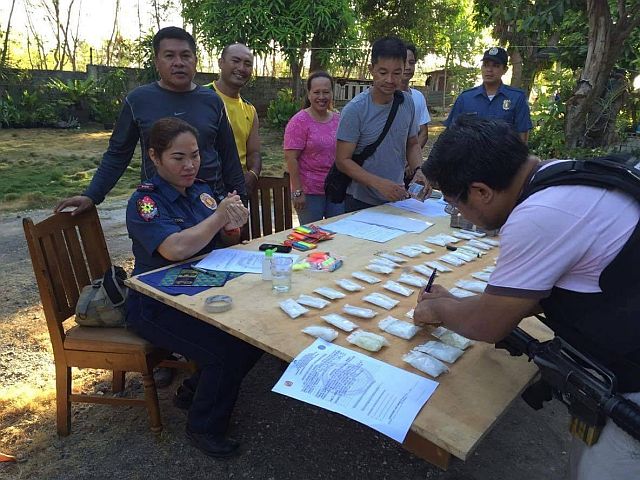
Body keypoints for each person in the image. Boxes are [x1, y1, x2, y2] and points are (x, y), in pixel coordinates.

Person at [415, 115, 640, 480]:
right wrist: (454, 304)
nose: (458, 213)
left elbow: (490, 324)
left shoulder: (538, 215)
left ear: (481, 192)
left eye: (455, 203)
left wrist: (440, 310)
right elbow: (530, 297)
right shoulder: (559, 175)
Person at [126, 117, 262, 458]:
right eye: (178, 157)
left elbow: (224, 238)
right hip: (155, 302)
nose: (189, 165)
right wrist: (218, 217)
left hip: (199, 289)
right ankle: (204, 426)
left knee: (256, 333)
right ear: (155, 157)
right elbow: (174, 249)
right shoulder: (146, 202)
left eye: (195, 155)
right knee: (224, 352)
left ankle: (193, 391)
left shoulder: (201, 191)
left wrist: (233, 224)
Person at [55, 26, 245, 216]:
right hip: (161, 207)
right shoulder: (138, 101)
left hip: (209, 204)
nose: (178, 63)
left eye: (186, 56)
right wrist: (92, 195)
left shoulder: (212, 101)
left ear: (195, 61)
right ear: (157, 62)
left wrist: (241, 200)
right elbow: (118, 154)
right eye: (169, 56)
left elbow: (229, 156)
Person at [335, 36, 425, 213]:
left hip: (398, 198)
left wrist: (419, 171)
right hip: (360, 201)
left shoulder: (407, 102)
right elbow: (342, 161)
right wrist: (379, 184)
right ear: (372, 70)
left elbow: (412, 143)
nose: (390, 80)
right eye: (383, 73)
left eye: (397, 73)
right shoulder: (355, 110)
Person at [284, 71, 343, 224]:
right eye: (317, 92)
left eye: (326, 92)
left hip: (336, 189)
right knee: (311, 237)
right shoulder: (299, 122)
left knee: (338, 233)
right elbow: (291, 158)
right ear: (309, 94)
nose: (321, 97)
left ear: (332, 93)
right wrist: (297, 192)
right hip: (309, 192)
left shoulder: (339, 120)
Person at [443, 47, 532, 143]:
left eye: (496, 66)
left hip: (504, 157)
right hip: (471, 156)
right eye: (485, 65)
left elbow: (522, 137)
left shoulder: (517, 98)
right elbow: (451, 134)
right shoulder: (465, 98)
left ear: (505, 69)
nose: (489, 70)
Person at [208, 43, 262, 194]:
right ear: (221, 63)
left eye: (247, 64)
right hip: (203, 189)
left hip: (236, 191)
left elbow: (254, 152)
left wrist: (252, 174)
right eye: (235, 61)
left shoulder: (249, 110)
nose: (241, 68)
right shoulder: (200, 96)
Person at [402, 44, 430, 149]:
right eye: (404, 62)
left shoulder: (418, 97)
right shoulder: (384, 97)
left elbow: (423, 133)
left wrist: (411, 160)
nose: (408, 67)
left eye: (411, 63)